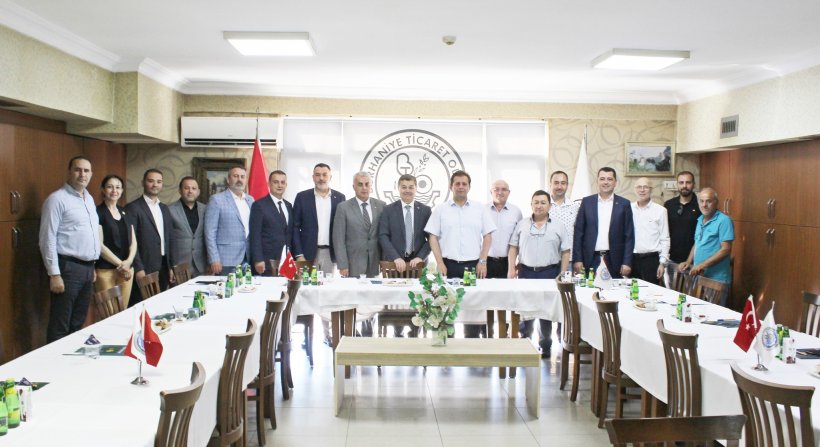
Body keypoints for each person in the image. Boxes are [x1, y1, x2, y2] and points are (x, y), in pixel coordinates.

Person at [425, 170, 496, 338]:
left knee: (471, 307)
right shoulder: (441, 210)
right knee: (445, 306)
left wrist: (483, 261)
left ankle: (471, 342)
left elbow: (487, 236)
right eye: (457, 183)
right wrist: (439, 262)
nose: (461, 187)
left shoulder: (479, 209)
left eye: (464, 184)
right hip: (447, 266)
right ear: (451, 186)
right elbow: (432, 237)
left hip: (471, 267)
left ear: (469, 187)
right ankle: (447, 342)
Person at [39, 156, 101, 343]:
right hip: (67, 269)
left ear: (91, 174)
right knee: (61, 324)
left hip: (87, 269)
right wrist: (54, 274)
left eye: (86, 171)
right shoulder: (57, 199)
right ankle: (54, 360)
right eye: (78, 169)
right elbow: (47, 238)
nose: (82, 174)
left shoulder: (89, 199)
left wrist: (92, 266)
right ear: (69, 172)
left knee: (77, 323)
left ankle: (71, 360)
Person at [507, 190, 570, 357]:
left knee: (546, 312)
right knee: (525, 310)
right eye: (536, 202)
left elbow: (565, 251)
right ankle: (525, 342)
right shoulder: (522, 224)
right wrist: (511, 268)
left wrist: (563, 273)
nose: (539, 206)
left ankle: (545, 345)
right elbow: (513, 247)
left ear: (549, 206)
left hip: (550, 273)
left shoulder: (558, 226)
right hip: (526, 272)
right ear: (531, 205)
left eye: (543, 202)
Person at [291, 163, 346, 345]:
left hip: (330, 253)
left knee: (327, 294)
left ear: (330, 177)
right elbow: (294, 228)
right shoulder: (302, 197)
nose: (321, 178)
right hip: (307, 255)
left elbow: (342, 229)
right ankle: (304, 335)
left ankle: (327, 334)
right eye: (317, 174)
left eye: (324, 174)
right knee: (305, 293)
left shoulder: (339, 198)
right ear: (313, 177)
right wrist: (298, 254)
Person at [378, 173, 432, 336]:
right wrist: (396, 257)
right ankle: (398, 333)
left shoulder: (425, 210)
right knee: (396, 300)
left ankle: (415, 332)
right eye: (404, 187)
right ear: (398, 188)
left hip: (418, 266)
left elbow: (431, 238)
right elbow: (383, 236)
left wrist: (420, 257)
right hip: (394, 265)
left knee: (417, 300)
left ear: (416, 189)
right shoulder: (388, 210)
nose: (407, 190)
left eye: (411, 187)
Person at [333, 172, 385, 336]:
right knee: (353, 297)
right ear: (353, 187)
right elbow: (338, 238)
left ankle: (368, 329)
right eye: (360, 184)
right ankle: (351, 330)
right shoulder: (343, 207)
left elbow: (384, 235)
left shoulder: (381, 205)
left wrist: (384, 261)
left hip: (374, 261)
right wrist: (342, 264)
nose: (364, 188)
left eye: (367, 184)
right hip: (352, 262)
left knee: (371, 297)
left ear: (371, 186)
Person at [572, 167, 634, 278]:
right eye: (602, 179)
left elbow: (629, 235)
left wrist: (627, 262)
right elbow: (578, 233)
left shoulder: (624, 204)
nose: (606, 182)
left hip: (614, 260)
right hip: (590, 259)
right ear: (597, 181)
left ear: (615, 183)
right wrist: (578, 259)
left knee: (614, 289)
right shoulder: (587, 202)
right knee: (589, 288)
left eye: (609, 179)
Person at [126, 168, 175, 305]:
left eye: (159, 182)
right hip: (145, 266)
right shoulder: (133, 208)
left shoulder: (164, 208)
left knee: (159, 305)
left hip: (164, 266)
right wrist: (138, 268)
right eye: (151, 181)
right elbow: (130, 241)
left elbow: (170, 238)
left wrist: (171, 266)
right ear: (143, 183)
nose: (155, 185)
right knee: (142, 306)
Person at [679, 187, 734, 302]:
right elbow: (697, 243)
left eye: (708, 201)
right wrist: (688, 262)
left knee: (715, 312)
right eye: (701, 201)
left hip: (717, 280)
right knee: (697, 311)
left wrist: (701, 265)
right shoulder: (700, 220)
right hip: (700, 276)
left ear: (716, 202)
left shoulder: (724, 220)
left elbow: (726, 249)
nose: (704, 205)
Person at [95, 174, 137, 310]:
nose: (114, 190)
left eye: (118, 187)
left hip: (127, 270)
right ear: (103, 190)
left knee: (122, 311)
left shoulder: (125, 212)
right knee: (108, 313)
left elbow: (133, 241)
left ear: (122, 190)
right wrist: (121, 265)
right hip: (106, 271)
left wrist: (128, 262)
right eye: (110, 187)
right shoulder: (98, 212)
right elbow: (100, 245)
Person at [204, 166, 254, 274]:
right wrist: (214, 258)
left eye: (242, 177)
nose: (239, 179)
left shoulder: (250, 200)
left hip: (248, 257)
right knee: (228, 286)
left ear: (246, 180)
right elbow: (210, 232)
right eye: (236, 176)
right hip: (225, 260)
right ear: (228, 179)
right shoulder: (216, 200)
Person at [249, 170, 293, 275]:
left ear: (286, 185)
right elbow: (255, 235)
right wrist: (258, 259)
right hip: (266, 260)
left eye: (282, 182)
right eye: (276, 182)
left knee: (286, 285)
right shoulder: (259, 205)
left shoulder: (289, 205)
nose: (280, 185)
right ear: (269, 184)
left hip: (286, 259)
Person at [630, 177, 670, 285]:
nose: (642, 190)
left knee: (651, 292)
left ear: (651, 189)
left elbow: (665, 238)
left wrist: (662, 263)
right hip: (632, 259)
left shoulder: (661, 211)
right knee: (631, 291)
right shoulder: (628, 209)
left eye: (646, 187)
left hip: (651, 260)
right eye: (639, 187)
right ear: (635, 189)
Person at [168, 176, 207, 277]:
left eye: (193, 188)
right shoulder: (169, 210)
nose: (190, 191)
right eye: (186, 188)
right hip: (179, 266)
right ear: (180, 190)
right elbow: (167, 240)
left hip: (202, 265)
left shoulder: (206, 209)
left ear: (198, 192)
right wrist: (170, 266)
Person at [664, 171, 701, 267]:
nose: (684, 186)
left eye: (688, 182)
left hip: (694, 260)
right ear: (677, 184)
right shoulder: (669, 205)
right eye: (681, 182)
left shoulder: (701, 205)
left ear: (694, 184)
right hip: (671, 258)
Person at [548, 171, 580, 259]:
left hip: (570, 259)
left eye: (563, 183)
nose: (559, 186)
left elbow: (579, 235)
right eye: (556, 183)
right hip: (547, 260)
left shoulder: (575, 207)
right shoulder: (543, 206)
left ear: (567, 185)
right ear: (550, 184)